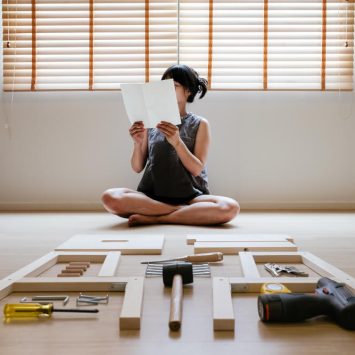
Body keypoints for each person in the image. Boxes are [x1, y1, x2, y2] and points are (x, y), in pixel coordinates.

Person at [102, 64, 240, 226]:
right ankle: (177, 212)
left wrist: (177, 142)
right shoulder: (150, 122)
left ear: (188, 91)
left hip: (191, 197)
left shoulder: (200, 124)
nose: (167, 91)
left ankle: (157, 217)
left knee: (230, 207)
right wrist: (137, 143)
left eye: (174, 86)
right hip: (151, 196)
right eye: (164, 87)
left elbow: (196, 169)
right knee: (110, 197)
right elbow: (137, 167)